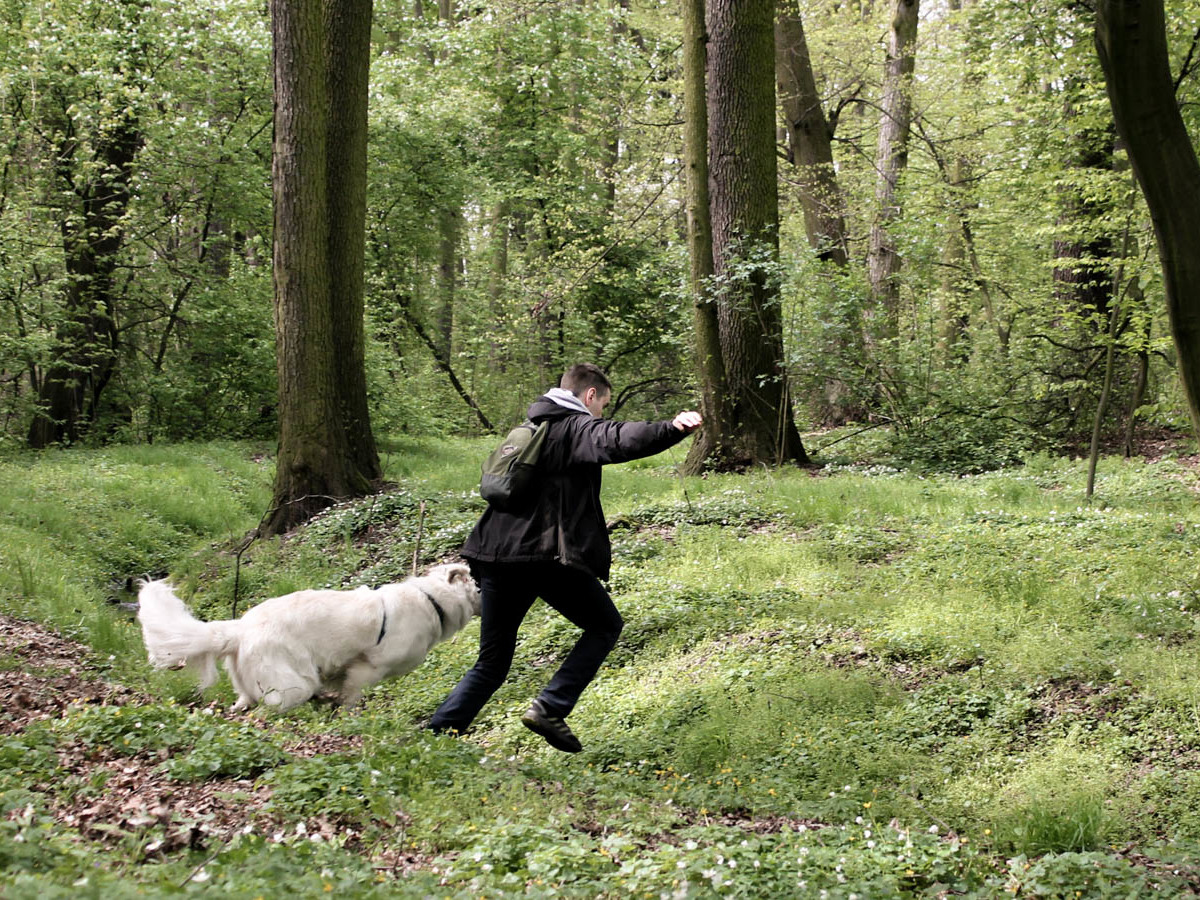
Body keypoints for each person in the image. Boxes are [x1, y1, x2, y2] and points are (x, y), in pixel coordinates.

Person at [428, 364, 702, 752]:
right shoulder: (574, 427)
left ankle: (436, 737)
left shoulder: (532, 427)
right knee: (605, 625)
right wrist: (672, 428)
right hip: (539, 556)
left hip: (492, 554)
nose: (603, 413)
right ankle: (551, 706)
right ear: (589, 396)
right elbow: (618, 438)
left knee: (492, 662)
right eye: (603, 404)